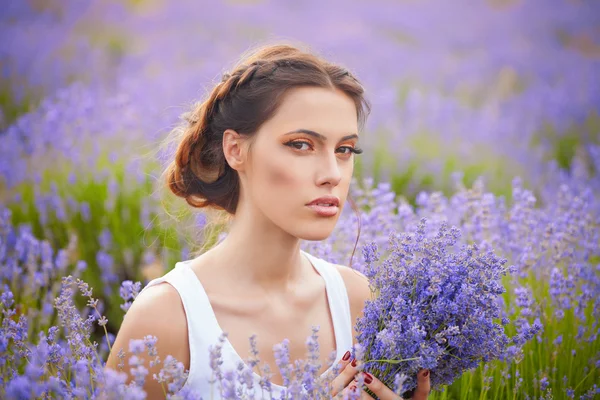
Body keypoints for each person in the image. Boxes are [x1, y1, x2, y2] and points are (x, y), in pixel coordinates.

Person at [106, 42, 431, 399]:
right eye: (301, 144)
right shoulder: (167, 318)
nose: (332, 174)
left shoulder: (356, 300)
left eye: (344, 150)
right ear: (235, 150)